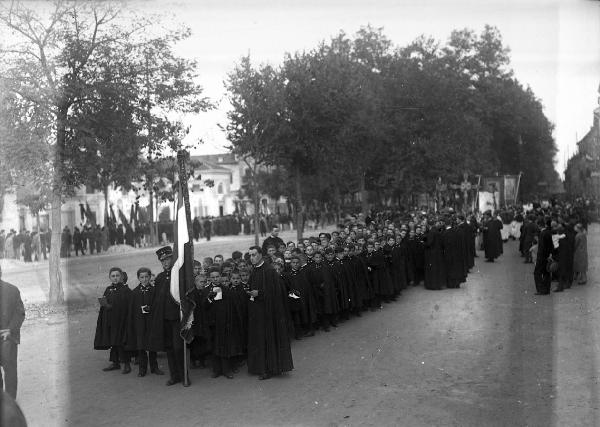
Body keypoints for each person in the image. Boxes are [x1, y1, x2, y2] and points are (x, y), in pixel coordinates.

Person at [246, 246, 293, 380]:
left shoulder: (269, 270)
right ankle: (259, 367)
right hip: (257, 311)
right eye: (250, 255)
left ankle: (268, 369)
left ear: (261, 255)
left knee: (267, 339)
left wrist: (259, 293)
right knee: (259, 339)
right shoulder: (255, 269)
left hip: (268, 312)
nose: (252, 258)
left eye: (254, 255)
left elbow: (275, 292)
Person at [147, 246, 187, 386]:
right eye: (162, 261)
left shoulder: (179, 276)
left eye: (167, 259)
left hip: (177, 318)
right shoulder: (160, 278)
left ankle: (184, 376)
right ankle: (174, 376)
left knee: (178, 348)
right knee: (169, 348)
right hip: (164, 319)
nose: (165, 263)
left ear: (172, 258)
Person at [125, 267, 164, 377]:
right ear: (138, 278)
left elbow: (157, 307)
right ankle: (142, 369)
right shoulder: (134, 293)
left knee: (152, 345)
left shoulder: (155, 291)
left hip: (151, 322)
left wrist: (151, 309)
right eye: (142, 277)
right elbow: (132, 310)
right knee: (141, 346)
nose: (145, 279)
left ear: (150, 277)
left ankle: (154, 367)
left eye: (147, 277)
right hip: (140, 323)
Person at [93, 267, 132, 374]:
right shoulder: (108, 289)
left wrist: (114, 307)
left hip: (122, 321)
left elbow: (128, 306)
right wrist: (105, 305)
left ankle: (127, 364)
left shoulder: (126, 290)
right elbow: (105, 303)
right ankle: (115, 363)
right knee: (113, 341)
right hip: (111, 320)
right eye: (113, 276)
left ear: (121, 277)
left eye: (117, 276)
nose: (115, 278)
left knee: (122, 342)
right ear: (110, 277)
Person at [0, 265, 25, 399]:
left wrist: (9, 330)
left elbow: (20, 313)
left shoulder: (12, 290)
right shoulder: (12, 289)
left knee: (10, 372)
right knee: (10, 372)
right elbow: (20, 314)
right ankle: (9, 402)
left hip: (7, 339)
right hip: (8, 337)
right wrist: (10, 330)